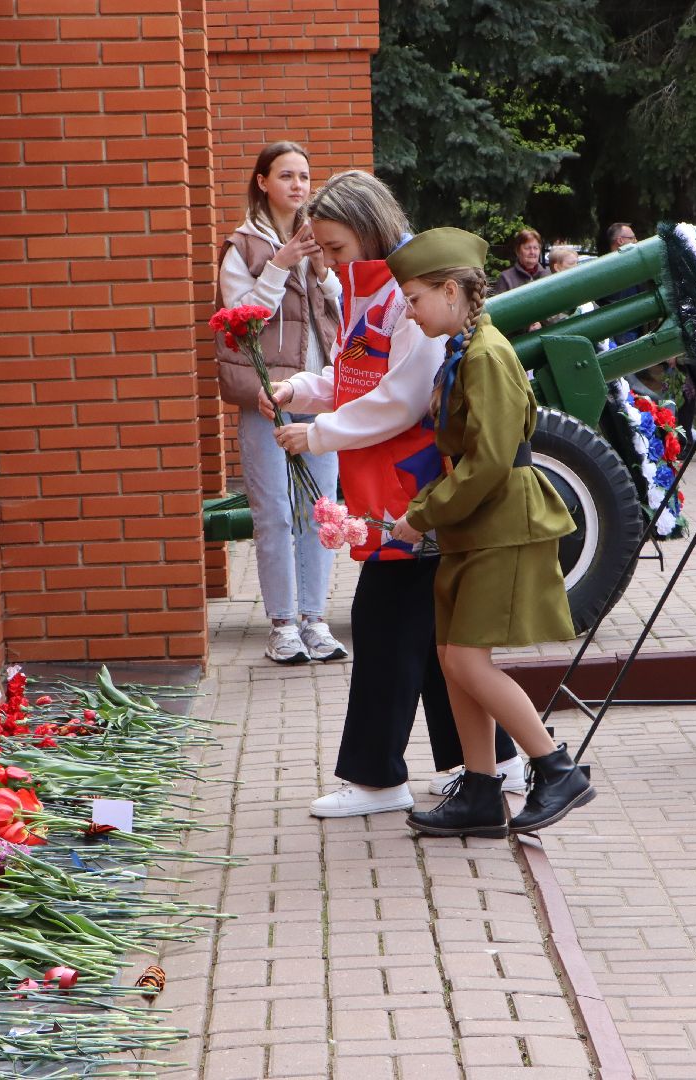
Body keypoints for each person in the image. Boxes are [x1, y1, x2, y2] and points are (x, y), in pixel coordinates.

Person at [260, 172, 524, 819]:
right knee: (424, 633)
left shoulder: (406, 291)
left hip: (413, 483)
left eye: (336, 247)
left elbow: (402, 395)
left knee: (386, 626)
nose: (328, 261)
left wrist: (318, 431)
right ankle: (493, 764)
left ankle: (383, 778)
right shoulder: (372, 287)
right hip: (392, 481)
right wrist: (303, 389)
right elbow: (357, 375)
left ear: (369, 230)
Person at [385, 227, 595, 838]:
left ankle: (556, 769)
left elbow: (491, 460)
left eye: (415, 298)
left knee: (467, 661)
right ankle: (480, 790)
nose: (409, 310)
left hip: (502, 523)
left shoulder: (485, 355)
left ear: (450, 291)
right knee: (452, 659)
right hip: (476, 524)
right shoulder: (465, 347)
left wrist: (422, 514)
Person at [216, 141, 346, 666]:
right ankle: (283, 626)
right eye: (286, 175)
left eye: (304, 176)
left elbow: (344, 309)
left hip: (320, 391)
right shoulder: (243, 245)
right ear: (262, 182)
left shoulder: (320, 238)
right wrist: (278, 265)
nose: (298, 185)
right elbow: (239, 318)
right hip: (266, 396)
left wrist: (320, 270)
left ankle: (315, 620)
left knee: (321, 509)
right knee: (273, 513)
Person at [492, 227, 550, 294]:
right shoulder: (506, 278)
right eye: (527, 248)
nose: (532, 252)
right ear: (517, 251)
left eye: (536, 248)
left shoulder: (548, 276)